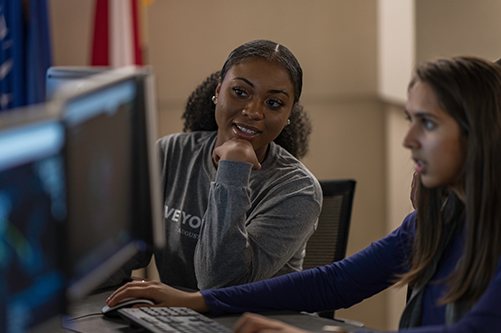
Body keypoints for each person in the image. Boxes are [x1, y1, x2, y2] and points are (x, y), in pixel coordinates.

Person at [107, 56, 501, 332]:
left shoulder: (295, 186)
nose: (408, 139)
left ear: (482, 134)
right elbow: (334, 283)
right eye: (410, 120)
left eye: (427, 123)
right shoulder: (437, 221)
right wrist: (199, 302)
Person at [106, 39, 322, 291]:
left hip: (253, 325)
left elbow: (220, 284)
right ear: (218, 91)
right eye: (240, 92)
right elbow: (119, 260)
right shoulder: (170, 153)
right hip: (176, 322)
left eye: (274, 103)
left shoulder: (299, 190)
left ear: (288, 116)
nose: (253, 111)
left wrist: (232, 173)